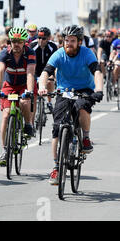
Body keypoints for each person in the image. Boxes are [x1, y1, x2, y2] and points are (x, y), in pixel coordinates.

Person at [37, 25, 103, 185]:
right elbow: (46, 71)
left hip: (84, 89)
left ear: (79, 42)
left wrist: (99, 90)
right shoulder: (59, 54)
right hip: (63, 90)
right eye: (66, 41)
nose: (69, 44)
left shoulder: (87, 53)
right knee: (57, 128)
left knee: (82, 108)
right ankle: (56, 167)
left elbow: (97, 71)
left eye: (72, 41)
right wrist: (42, 87)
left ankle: (85, 138)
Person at [0, 27, 36, 167]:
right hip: (9, 85)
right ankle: (5, 150)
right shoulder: (4, 53)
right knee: (6, 116)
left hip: (24, 84)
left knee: (24, 102)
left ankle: (28, 123)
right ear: (10, 41)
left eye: (19, 41)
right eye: (13, 41)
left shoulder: (30, 53)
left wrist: (29, 91)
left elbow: (30, 72)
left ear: (24, 42)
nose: (16, 44)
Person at [29, 27, 58, 113]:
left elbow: (56, 63)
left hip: (48, 69)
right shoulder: (32, 46)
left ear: (48, 38)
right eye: (39, 37)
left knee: (50, 81)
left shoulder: (52, 46)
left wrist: (55, 76)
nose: (41, 40)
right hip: (35, 69)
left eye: (43, 38)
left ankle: (49, 102)